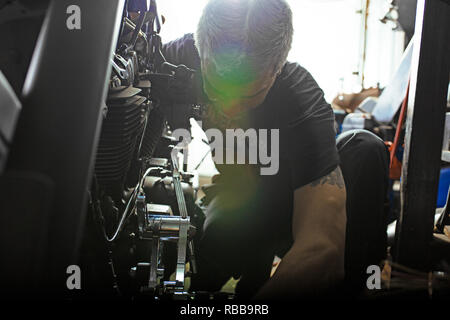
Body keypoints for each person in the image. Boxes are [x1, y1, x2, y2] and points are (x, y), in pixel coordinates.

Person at [161, 0, 389, 299]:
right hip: (239, 192)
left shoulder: (300, 98)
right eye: (217, 88)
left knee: (366, 148)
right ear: (200, 54)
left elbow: (322, 246)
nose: (230, 108)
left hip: (295, 198)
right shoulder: (173, 63)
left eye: (249, 95)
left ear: (277, 69)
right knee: (213, 249)